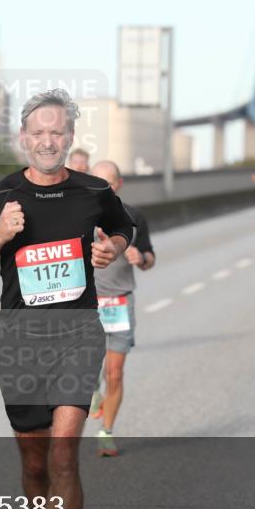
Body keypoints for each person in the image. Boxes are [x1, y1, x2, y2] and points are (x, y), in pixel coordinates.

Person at [0, 89, 133, 509]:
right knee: (34, 466)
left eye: (57, 132)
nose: (48, 141)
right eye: (39, 132)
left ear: (70, 137)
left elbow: (123, 225)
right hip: (19, 340)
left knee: (62, 455)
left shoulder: (94, 191)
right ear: (23, 138)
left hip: (78, 334)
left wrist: (112, 246)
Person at [88, 160, 156, 457]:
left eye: (108, 184)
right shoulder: (77, 217)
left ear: (119, 185)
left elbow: (150, 259)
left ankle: (106, 432)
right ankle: (92, 390)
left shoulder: (133, 217)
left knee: (114, 373)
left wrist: (140, 258)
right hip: (86, 305)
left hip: (119, 302)